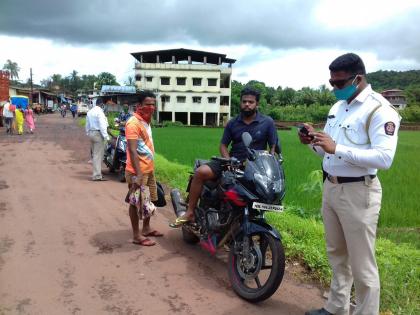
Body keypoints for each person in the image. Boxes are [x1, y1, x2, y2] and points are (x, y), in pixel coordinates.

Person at [300, 53, 401, 315]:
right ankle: (336, 308)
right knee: (337, 254)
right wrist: (313, 142)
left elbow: (384, 158)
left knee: (362, 264)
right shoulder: (338, 107)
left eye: (340, 83)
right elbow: (328, 150)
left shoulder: (380, 110)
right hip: (332, 187)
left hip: (359, 191)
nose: (335, 88)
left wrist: (338, 148)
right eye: (332, 83)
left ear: (358, 78)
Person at [170, 87, 278, 227]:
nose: (247, 104)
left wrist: (271, 161)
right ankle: (190, 211)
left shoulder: (267, 122)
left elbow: (273, 147)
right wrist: (228, 161)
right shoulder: (233, 123)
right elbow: (223, 145)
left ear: (257, 104)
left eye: (250, 102)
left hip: (255, 168)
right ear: (240, 103)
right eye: (244, 101)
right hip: (232, 163)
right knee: (201, 172)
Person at [124, 90, 162, 246]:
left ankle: (146, 228)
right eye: (147, 104)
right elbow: (132, 150)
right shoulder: (133, 123)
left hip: (148, 168)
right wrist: (138, 175)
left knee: (150, 199)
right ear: (139, 105)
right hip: (137, 171)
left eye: (153, 104)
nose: (151, 107)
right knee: (135, 202)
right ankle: (136, 235)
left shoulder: (146, 120)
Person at [85, 97, 109, 181]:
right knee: (98, 155)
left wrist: (88, 133)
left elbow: (87, 124)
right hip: (98, 134)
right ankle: (97, 175)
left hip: (91, 133)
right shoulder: (100, 112)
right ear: (102, 104)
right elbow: (102, 125)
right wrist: (106, 136)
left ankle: (97, 173)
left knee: (95, 155)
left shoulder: (90, 112)